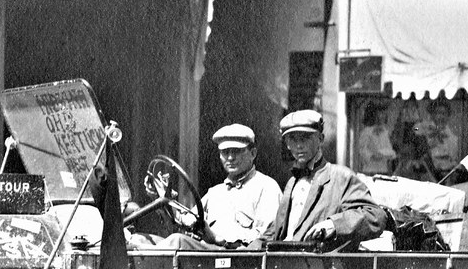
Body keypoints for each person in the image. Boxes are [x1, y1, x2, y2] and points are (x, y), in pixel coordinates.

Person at [148, 123, 281, 250]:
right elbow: (186, 222)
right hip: (208, 257)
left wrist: (218, 239)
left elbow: (264, 240)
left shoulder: (266, 188)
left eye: (236, 151)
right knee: (139, 240)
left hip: (236, 261)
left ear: (253, 153)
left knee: (176, 241)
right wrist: (164, 199)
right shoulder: (216, 193)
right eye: (225, 152)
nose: (230, 158)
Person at [273, 109, 387, 248]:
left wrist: (334, 225)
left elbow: (376, 216)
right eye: (292, 139)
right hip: (283, 260)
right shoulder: (292, 182)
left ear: (320, 139)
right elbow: (277, 232)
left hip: (320, 264)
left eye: (305, 138)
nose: (298, 145)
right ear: (287, 144)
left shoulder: (340, 177)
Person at [357, 100, 396, 175]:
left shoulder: (384, 131)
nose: (383, 116)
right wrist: (372, 156)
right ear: (373, 115)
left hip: (383, 170)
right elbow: (362, 149)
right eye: (380, 113)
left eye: (384, 113)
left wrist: (389, 154)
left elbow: (389, 149)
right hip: (370, 170)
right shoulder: (366, 131)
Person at [424, 100, 460, 179]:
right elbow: (415, 129)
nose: (440, 117)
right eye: (437, 113)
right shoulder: (425, 129)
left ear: (448, 116)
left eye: (443, 114)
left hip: (447, 172)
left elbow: (453, 157)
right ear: (432, 115)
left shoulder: (452, 136)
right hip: (429, 172)